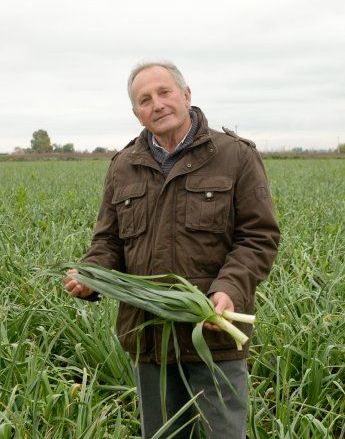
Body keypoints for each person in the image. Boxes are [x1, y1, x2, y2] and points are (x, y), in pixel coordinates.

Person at [62, 60, 280, 438]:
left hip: (214, 334)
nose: (157, 104)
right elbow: (108, 241)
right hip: (149, 339)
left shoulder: (235, 156)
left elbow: (258, 237)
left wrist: (228, 289)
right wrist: (91, 275)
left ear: (186, 95)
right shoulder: (123, 166)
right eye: (145, 99)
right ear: (136, 113)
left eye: (164, 92)